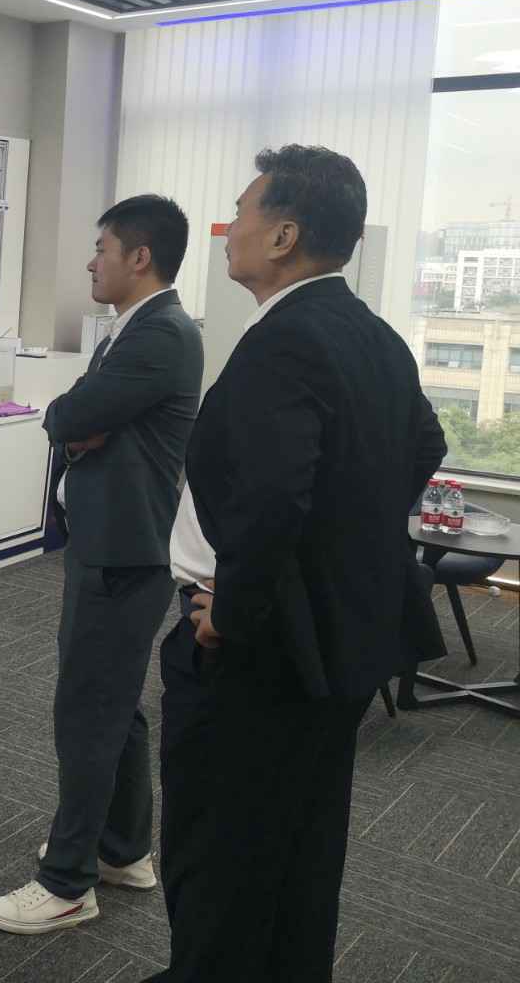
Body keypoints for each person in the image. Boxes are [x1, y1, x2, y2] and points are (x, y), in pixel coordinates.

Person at [146, 146, 446, 982]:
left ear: (283, 236)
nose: (229, 229)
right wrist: (344, 548)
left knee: (221, 855)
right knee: (302, 845)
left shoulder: (283, 343)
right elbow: (423, 444)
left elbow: (275, 498)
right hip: (336, 641)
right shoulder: (373, 334)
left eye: (242, 212)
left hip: (259, 651)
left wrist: (233, 613)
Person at [0, 195, 202, 935]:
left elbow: (67, 416)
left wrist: (75, 423)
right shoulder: (138, 327)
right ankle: (123, 849)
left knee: (86, 711)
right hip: (119, 542)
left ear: (140, 256)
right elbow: (79, 414)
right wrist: (79, 422)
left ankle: (68, 882)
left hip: (124, 551)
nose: (89, 262)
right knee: (114, 705)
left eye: (101, 248)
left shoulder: (161, 333)